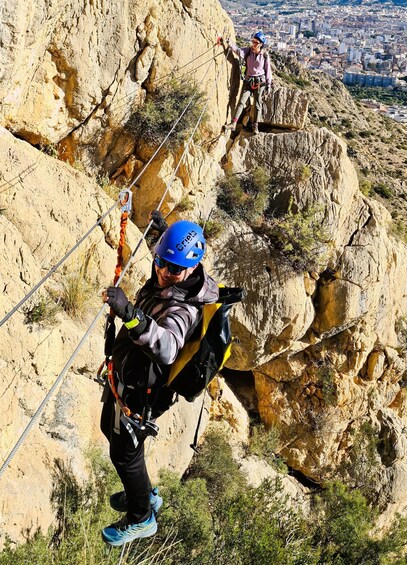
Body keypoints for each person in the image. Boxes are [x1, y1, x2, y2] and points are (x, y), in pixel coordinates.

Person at [100, 217, 219, 546]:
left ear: (191, 269)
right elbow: (173, 257)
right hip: (132, 377)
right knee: (107, 431)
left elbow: (166, 348)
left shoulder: (184, 309)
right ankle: (143, 493)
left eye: (174, 268)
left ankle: (142, 517)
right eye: (161, 262)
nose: (165, 271)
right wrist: (163, 234)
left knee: (124, 454)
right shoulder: (174, 273)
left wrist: (130, 314)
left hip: (144, 393)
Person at [223, 31, 272, 135]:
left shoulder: (265, 55)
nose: (253, 44)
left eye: (255, 42)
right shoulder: (248, 51)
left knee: (257, 105)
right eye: (253, 41)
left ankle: (255, 126)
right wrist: (229, 43)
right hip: (248, 80)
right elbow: (238, 51)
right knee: (241, 101)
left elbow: (268, 71)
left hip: (259, 82)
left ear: (261, 44)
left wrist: (268, 85)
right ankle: (233, 123)